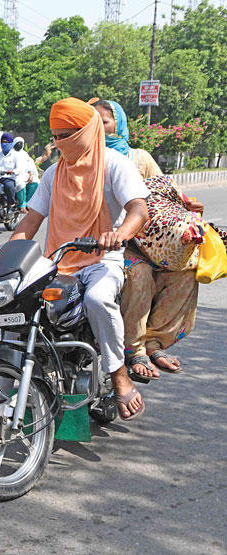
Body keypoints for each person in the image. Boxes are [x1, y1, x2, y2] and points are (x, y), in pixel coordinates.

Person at [7, 97, 149, 421]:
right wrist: (6, 253)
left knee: (99, 299)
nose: (59, 143)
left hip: (102, 259)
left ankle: (119, 376)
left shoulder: (114, 164)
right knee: (10, 304)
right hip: (56, 260)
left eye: (66, 135)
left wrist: (120, 234)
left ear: (86, 132)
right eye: (55, 136)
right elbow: (30, 222)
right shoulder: (53, 173)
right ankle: (2, 394)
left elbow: (138, 209)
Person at [92, 98, 200, 379]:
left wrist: (187, 210)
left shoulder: (140, 158)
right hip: (108, 244)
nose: (100, 129)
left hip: (151, 242)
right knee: (138, 273)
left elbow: (164, 197)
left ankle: (155, 341)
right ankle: (134, 348)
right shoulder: (85, 158)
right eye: (94, 123)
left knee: (186, 273)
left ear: (119, 123)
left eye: (105, 122)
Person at [13, 136, 40, 211]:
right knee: (20, 184)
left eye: (21, 143)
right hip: (15, 176)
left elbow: (30, 166)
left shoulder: (25, 154)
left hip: (25, 175)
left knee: (35, 182)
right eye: (17, 143)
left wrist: (31, 175)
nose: (19, 144)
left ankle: (28, 203)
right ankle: (22, 205)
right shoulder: (10, 154)